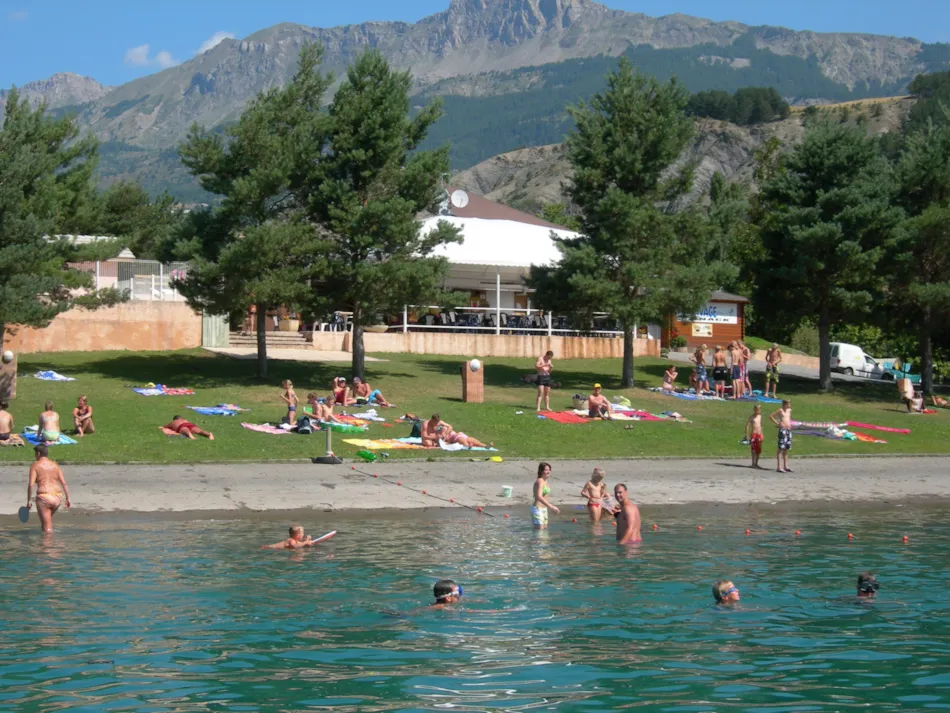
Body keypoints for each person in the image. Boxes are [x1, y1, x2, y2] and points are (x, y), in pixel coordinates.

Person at [26, 444, 71, 533]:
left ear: (38, 453)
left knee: (47, 530)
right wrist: (68, 498)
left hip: (44, 498)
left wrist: (29, 500)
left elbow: (31, 485)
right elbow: (64, 483)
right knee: (46, 523)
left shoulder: (35, 465)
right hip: (57, 497)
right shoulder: (55, 465)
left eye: (35, 454)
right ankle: (46, 545)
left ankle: (48, 546)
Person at [421, 413, 491, 449]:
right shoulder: (426, 424)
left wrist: (445, 433)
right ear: (431, 420)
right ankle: (472, 445)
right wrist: (436, 437)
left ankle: (483, 445)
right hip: (447, 439)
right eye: (435, 423)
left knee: (467, 439)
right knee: (465, 439)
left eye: (437, 422)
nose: (437, 424)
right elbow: (424, 436)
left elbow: (450, 426)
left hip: (453, 435)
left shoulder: (440, 423)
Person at [532, 461, 559, 528]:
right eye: (546, 470)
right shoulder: (540, 481)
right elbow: (539, 496)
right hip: (538, 509)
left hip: (544, 509)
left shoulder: (545, 481)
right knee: (539, 533)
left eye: (549, 470)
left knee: (544, 532)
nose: (548, 471)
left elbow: (545, 497)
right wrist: (551, 507)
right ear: (541, 471)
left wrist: (549, 508)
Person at [769, 399, 793, 473]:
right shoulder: (780, 410)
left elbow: (788, 418)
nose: (790, 404)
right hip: (783, 431)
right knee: (781, 448)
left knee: (786, 448)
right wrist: (778, 423)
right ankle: (779, 466)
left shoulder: (789, 410)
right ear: (785, 404)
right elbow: (771, 416)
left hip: (788, 430)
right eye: (788, 403)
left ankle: (786, 466)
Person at [745, 404, 764, 469]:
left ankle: (756, 463)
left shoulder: (760, 416)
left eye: (759, 409)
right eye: (757, 409)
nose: (758, 411)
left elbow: (760, 426)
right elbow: (747, 425)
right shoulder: (752, 417)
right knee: (753, 449)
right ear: (754, 410)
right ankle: (753, 463)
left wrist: (762, 434)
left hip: (759, 434)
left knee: (758, 449)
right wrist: (747, 435)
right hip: (754, 434)